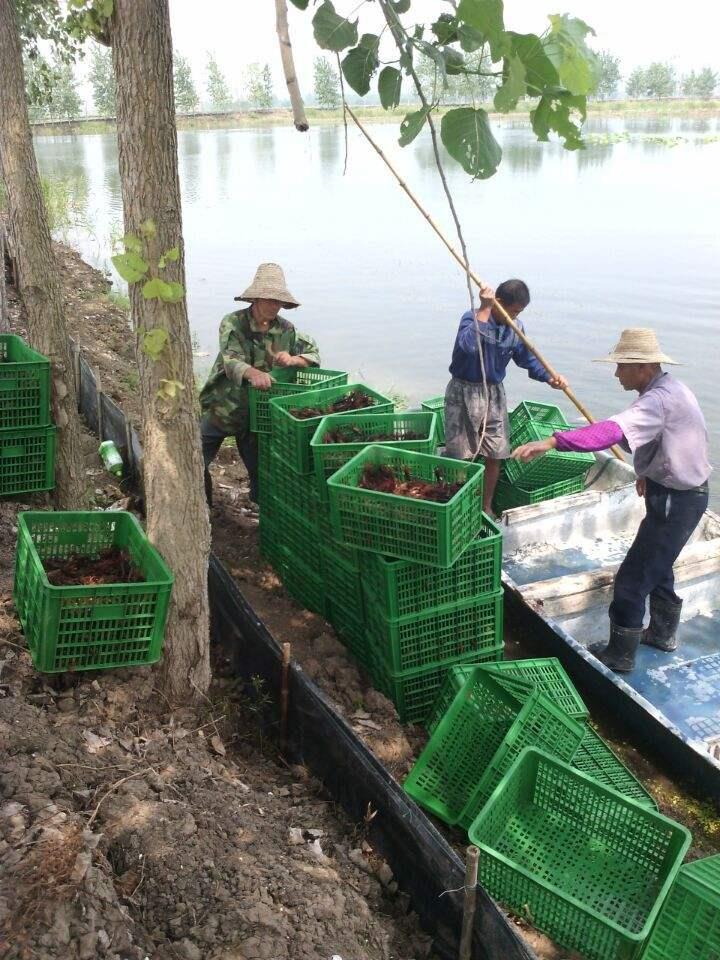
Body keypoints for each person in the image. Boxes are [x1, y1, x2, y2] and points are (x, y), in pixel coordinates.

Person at [512, 328, 711, 673]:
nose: (616, 373)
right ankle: (662, 635)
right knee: (659, 569)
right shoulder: (673, 389)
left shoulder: (657, 400)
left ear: (644, 367)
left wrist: (553, 442)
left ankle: (620, 657)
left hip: (676, 501)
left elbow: (611, 432)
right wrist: (647, 474)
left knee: (632, 581)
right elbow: (677, 439)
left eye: (622, 366)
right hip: (682, 493)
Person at [199, 262, 320, 505]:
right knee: (195, 458)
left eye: (278, 301)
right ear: (255, 299)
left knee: (260, 468)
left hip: (259, 414)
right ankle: (202, 506)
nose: (274, 306)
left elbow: (313, 353)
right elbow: (230, 359)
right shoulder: (233, 322)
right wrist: (254, 373)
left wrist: (294, 359)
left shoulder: (286, 329)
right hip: (224, 406)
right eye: (269, 300)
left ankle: (260, 509)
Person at [444, 279, 568, 514]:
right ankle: (457, 508)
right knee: (460, 454)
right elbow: (468, 346)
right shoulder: (472, 317)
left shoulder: (515, 327)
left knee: (495, 451)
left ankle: (486, 507)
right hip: (463, 390)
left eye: (519, 312)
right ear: (498, 303)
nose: (514, 317)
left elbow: (527, 359)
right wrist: (485, 308)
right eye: (512, 311)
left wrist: (550, 378)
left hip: (494, 393)